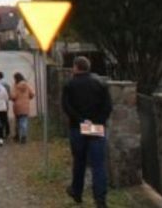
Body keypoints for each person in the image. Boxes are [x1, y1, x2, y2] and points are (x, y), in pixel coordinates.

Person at [62, 56, 113, 208]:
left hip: (78, 128)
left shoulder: (70, 84)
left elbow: (67, 107)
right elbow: (107, 107)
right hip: (96, 127)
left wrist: (81, 120)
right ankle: (100, 199)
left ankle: (77, 191)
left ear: (76, 67)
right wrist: (96, 121)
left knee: (79, 161)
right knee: (98, 164)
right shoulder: (100, 83)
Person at [11, 72, 36, 144]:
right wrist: (29, 97)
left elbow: (13, 96)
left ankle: (17, 135)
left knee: (18, 121)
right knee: (24, 121)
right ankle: (24, 136)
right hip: (25, 106)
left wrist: (12, 99)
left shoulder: (15, 86)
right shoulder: (27, 85)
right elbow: (32, 94)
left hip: (17, 106)